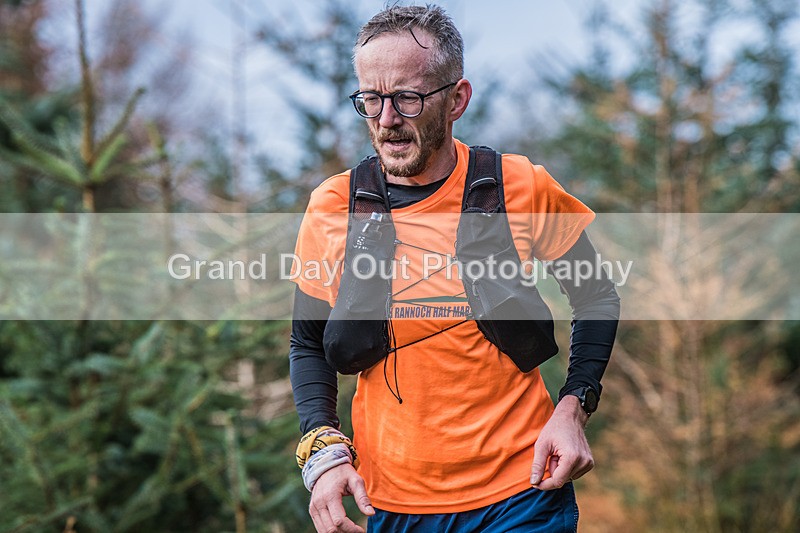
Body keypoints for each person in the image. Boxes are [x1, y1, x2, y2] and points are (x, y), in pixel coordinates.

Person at [289, 4, 620, 532]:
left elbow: (596, 296)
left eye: (407, 98)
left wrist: (573, 407)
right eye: (370, 99)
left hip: (524, 491)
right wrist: (323, 457)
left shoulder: (520, 186)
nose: (387, 119)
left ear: (457, 99)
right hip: (392, 503)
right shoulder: (334, 205)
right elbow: (308, 344)